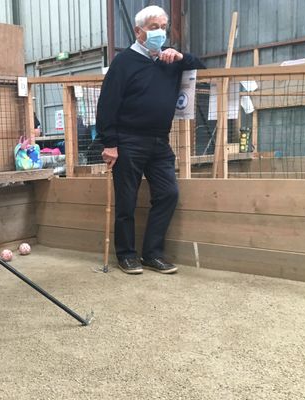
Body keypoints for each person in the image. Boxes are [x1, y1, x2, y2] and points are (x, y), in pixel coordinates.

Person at [95, 5, 205, 275]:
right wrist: (110, 143)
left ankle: (152, 253)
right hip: (128, 140)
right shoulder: (124, 63)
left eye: (163, 27)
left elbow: (199, 66)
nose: (160, 32)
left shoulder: (171, 61)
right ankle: (126, 254)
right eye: (154, 27)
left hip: (160, 141)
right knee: (127, 200)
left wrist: (181, 55)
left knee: (168, 194)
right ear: (138, 31)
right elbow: (107, 104)